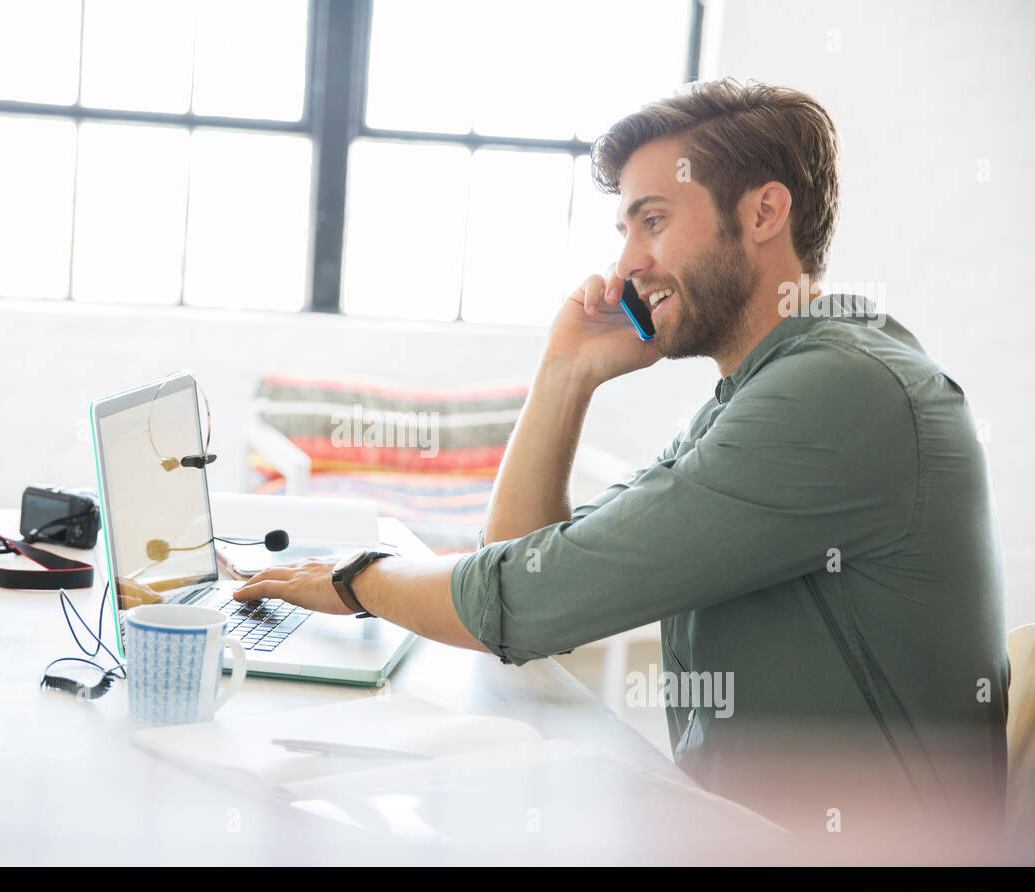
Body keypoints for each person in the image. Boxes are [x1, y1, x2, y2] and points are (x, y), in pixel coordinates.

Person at [232, 78, 1009, 848]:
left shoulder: (843, 393)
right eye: (625, 228)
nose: (627, 261)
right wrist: (566, 375)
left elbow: (526, 603)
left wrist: (355, 579)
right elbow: (526, 571)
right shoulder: (759, 390)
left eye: (654, 220)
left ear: (765, 212)